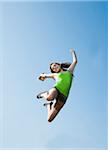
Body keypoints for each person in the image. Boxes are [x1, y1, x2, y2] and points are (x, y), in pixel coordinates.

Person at [37, 49, 77, 122]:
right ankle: (44, 94)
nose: (54, 68)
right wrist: (41, 76)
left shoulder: (69, 72)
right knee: (49, 97)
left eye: (55, 65)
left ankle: (48, 105)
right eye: (53, 68)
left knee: (49, 119)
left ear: (59, 64)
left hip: (64, 96)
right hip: (56, 89)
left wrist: (73, 52)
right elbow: (44, 75)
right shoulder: (55, 75)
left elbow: (75, 61)